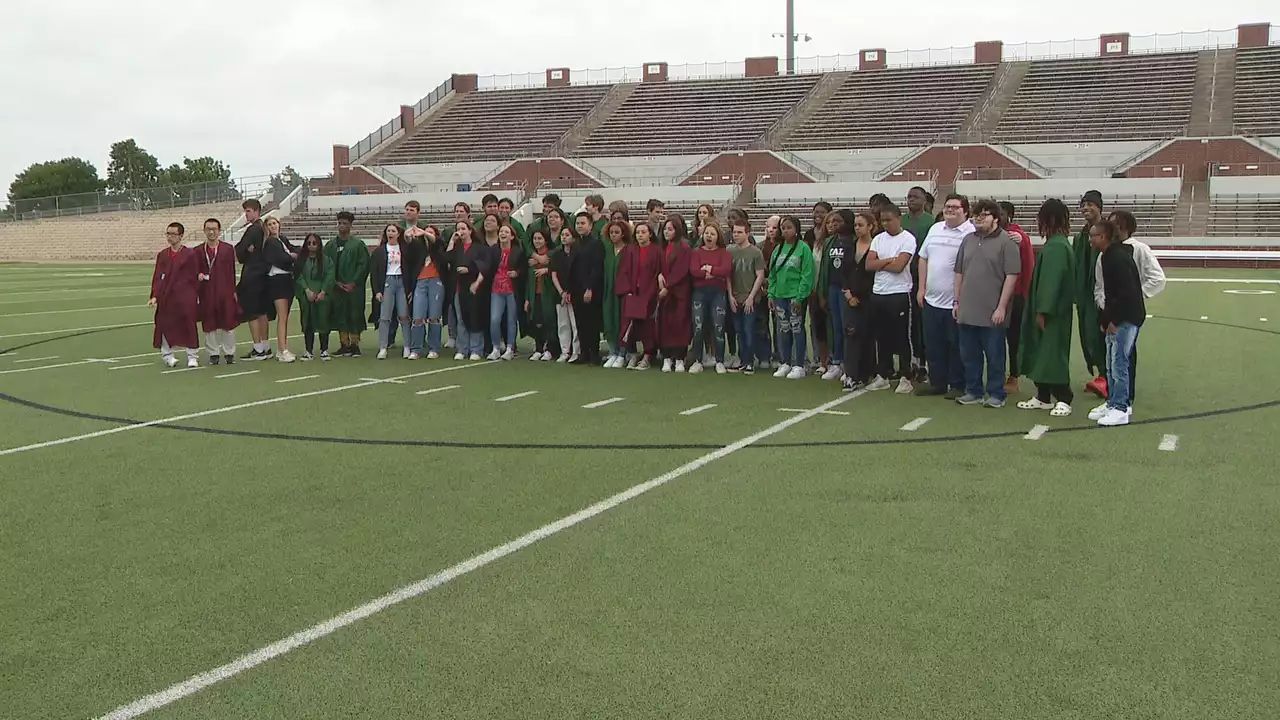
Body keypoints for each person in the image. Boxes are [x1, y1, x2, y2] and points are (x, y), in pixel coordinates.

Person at [1094, 210, 1165, 410]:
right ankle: (1113, 399)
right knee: (1111, 359)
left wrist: (1135, 297)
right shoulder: (1104, 254)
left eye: (1115, 224)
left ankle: (1124, 401)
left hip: (1127, 313)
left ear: (1125, 226)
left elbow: (1157, 278)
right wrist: (1105, 308)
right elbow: (1100, 286)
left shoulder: (1139, 249)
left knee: (1123, 357)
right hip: (1111, 312)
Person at [953, 199, 1021, 407]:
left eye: (984, 215)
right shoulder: (967, 240)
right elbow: (959, 272)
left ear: (996, 218)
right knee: (969, 355)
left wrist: (1001, 307)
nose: (979, 219)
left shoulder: (1006, 242)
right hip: (967, 309)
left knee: (994, 355)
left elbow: (1012, 276)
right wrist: (956, 301)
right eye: (976, 215)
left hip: (993, 310)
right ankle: (973, 391)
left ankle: (996, 394)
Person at [1017, 199, 1076, 416]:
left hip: (1052, 312)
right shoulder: (1056, 243)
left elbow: (1051, 283)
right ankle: (1043, 396)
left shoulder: (1057, 247)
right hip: (1049, 310)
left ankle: (1064, 396)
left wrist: (1043, 310)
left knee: (1052, 353)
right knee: (1042, 352)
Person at [915, 194, 973, 398]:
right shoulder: (935, 228)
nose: (950, 210)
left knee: (957, 345)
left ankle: (958, 384)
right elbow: (923, 258)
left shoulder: (971, 233)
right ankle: (937, 382)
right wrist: (921, 289)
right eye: (948, 206)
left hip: (957, 302)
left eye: (956, 207)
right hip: (931, 299)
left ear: (965, 211)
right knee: (933, 344)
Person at [1090, 219, 1145, 427]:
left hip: (1126, 318)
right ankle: (1113, 402)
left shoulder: (1117, 258)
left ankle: (1121, 408)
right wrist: (1106, 319)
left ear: (1103, 237)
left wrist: (1114, 320)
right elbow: (1111, 293)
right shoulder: (1108, 256)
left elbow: (1125, 293)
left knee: (1119, 362)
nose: (1090, 240)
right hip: (1118, 317)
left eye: (1092, 236)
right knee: (1111, 363)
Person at [865, 203, 917, 393]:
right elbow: (869, 265)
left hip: (899, 293)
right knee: (882, 337)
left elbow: (899, 267)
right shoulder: (878, 239)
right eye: (883, 220)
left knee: (902, 337)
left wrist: (881, 263)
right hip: (879, 293)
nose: (885, 224)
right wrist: (888, 260)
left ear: (898, 218)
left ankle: (905, 376)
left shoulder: (908, 239)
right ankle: (883, 375)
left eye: (889, 220)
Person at [768, 215, 815, 380]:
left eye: (789, 227)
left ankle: (799, 364)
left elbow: (807, 275)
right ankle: (785, 362)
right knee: (783, 329)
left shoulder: (803, 249)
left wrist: (800, 297)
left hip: (795, 296)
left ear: (796, 229)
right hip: (780, 296)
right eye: (783, 228)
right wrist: (771, 295)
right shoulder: (778, 249)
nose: (785, 231)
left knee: (797, 329)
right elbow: (772, 274)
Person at [149, 222, 201, 368]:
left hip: (185, 296)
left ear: (181, 236)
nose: (170, 237)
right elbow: (158, 276)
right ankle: (167, 355)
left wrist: (193, 294)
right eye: (168, 234)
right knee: (164, 324)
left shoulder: (190, 254)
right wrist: (155, 296)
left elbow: (194, 275)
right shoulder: (163, 255)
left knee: (189, 325)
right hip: (167, 296)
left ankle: (192, 356)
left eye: (173, 234)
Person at [1073, 190, 1107, 398]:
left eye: (1090, 204)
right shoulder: (1080, 237)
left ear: (1099, 207)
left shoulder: (1108, 234)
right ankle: (1100, 375)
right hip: (1084, 297)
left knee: (1101, 337)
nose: (1086, 208)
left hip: (1102, 296)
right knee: (1087, 337)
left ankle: (1106, 376)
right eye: (1083, 205)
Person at [839, 211, 878, 392]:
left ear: (870, 226)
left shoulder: (877, 246)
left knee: (868, 336)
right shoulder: (850, 246)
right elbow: (843, 272)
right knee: (851, 335)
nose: (857, 228)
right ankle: (851, 375)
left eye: (861, 225)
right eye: (855, 225)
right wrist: (848, 294)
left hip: (870, 296)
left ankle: (865, 373)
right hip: (851, 298)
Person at [1000, 201, 1036, 395]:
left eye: (1002, 214)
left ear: (1010, 216)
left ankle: (1014, 375)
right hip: (993, 294)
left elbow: (1027, 260)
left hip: (1015, 295)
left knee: (1013, 337)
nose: (999, 217)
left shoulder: (1017, 235)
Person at [615, 221, 661, 370]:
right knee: (629, 325)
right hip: (632, 293)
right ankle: (632, 353)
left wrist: (652, 292)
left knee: (648, 326)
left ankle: (648, 355)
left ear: (650, 234)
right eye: (638, 232)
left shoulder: (656, 251)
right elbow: (624, 271)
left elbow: (658, 273)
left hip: (649, 294)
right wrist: (627, 291)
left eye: (643, 232)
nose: (640, 235)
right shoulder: (630, 250)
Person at [370, 223, 421, 359]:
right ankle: (382, 347)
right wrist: (377, 291)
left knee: (404, 316)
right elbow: (374, 272)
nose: (390, 233)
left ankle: (407, 346)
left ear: (398, 234)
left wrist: (410, 288)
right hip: (387, 282)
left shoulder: (404, 249)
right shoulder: (379, 251)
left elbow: (410, 269)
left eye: (393, 231)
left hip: (401, 283)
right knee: (384, 317)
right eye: (388, 231)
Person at [688, 221, 732, 374]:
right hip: (699, 294)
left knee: (718, 328)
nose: (709, 236)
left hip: (718, 294)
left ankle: (719, 360)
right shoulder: (696, 252)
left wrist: (708, 268)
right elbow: (694, 271)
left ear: (717, 236)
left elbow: (725, 270)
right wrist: (712, 274)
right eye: (707, 233)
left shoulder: (724, 253)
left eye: (712, 234)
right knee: (698, 328)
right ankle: (698, 360)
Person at [325, 211, 370, 357]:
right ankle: (344, 344)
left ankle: (355, 344)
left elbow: (363, 265)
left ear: (351, 225)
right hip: (336, 287)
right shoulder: (331, 245)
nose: (342, 226)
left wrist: (353, 282)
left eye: (345, 223)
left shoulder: (358, 245)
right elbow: (326, 265)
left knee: (354, 314)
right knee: (339, 314)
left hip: (354, 288)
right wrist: (335, 282)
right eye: (340, 223)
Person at [196, 217, 240, 365]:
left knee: (228, 323)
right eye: (208, 229)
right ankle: (213, 353)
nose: (211, 232)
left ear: (219, 231)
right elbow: (193, 271)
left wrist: (233, 291)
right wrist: (198, 277)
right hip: (206, 292)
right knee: (209, 325)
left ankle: (229, 352)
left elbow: (231, 271)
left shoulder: (227, 249)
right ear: (204, 231)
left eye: (214, 229)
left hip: (225, 292)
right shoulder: (198, 251)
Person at [903, 186, 935, 380]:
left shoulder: (931, 222)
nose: (911, 200)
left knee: (924, 321)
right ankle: (912, 360)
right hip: (903, 276)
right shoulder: (902, 220)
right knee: (909, 321)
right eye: (909, 197)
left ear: (925, 200)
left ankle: (925, 361)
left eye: (915, 196)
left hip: (925, 276)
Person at [234, 199, 272, 360]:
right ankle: (265, 346)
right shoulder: (264, 228)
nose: (246, 214)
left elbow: (239, 250)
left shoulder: (253, 229)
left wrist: (247, 251)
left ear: (256, 211)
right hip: (264, 274)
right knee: (262, 312)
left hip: (253, 274)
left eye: (248, 211)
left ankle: (258, 349)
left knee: (252, 312)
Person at [728, 218, 766, 375]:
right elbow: (728, 276)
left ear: (747, 233)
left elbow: (760, 276)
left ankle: (750, 361)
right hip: (735, 298)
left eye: (739, 232)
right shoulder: (729, 251)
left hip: (750, 299)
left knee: (748, 330)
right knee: (739, 331)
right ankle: (743, 360)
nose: (736, 235)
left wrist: (751, 297)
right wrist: (730, 296)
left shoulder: (755, 252)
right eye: (734, 232)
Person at [815, 211, 850, 381]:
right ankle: (836, 362)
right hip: (832, 289)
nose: (834, 224)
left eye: (838, 221)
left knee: (847, 327)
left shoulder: (854, 241)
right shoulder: (829, 242)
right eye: (832, 221)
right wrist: (822, 294)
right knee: (835, 327)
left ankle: (848, 364)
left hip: (847, 290)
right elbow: (823, 270)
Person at [657, 214, 693, 373]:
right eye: (665, 229)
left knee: (680, 325)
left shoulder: (684, 247)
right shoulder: (662, 247)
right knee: (665, 325)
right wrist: (659, 277)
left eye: (670, 229)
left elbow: (681, 270)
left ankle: (679, 358)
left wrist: (668, 286)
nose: (666, 232)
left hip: (679, 293)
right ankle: (666, 357)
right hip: (664, 293)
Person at [450, 220, 488, 361]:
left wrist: (470, 270)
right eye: (459, 228)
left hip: (473, 287)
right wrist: (452, 241)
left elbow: (484, 266)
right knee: (461, 319)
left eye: (463, 228)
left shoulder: (479, 247)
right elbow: (447, 259)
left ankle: (476, 349)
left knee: (474, 318)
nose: (461, 231)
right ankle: (462, 349)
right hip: (459, 288)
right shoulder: (457, 248)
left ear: (470, 230)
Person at [570, 212, 605, 366]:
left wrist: (590, 288)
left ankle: (594, 354)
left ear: (590, 226)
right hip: (577, 289)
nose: (579, 226)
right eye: (577, 223)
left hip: (590, 290)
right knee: (580, 323)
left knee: (592, 323)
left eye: (583, 223)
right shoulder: (576, 244)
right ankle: (583, 353)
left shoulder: (596, 244)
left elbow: (597, 268)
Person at [293, 233, 335, 361]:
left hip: (322, 296)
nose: (311, 246)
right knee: (308, 323)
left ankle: (324, 350)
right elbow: (299, 277)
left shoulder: (326, 260)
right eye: (309, 243)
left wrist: (323, 292)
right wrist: (306, 291)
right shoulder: (301, 261)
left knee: (323, 322)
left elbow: (330, 276)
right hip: (306, 296)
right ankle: (308, 351)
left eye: (314, 243)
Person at [487, 224, 525, 360]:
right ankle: (496, 347)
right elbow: (489, 268)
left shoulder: (517, 251)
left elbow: (523, 268)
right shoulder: (494, 251)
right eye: (501, 231)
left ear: (512, 236)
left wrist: (517, 273)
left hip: (511, 289)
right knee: (495, 319)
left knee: (511, 320)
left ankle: (510, 348)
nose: (503, 234)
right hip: (496, 289)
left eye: (506, 232)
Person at [263, 216, 298, 363]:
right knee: (282, 317)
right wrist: (292, 257)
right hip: (278, 280)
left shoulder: (281, 239)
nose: (273, 226)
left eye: (274, 223)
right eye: (269, 224)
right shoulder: (271, 242)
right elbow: (282, 258)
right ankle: (283, 350)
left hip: (286, 279)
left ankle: (281, 349)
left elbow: (292, 250)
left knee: (285, 316)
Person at [409, 226, 447, 359]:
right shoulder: (419, 249)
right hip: (421, 282)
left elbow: (438, 242)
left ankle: (434, 348)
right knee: (418, 317)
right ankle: (416, 349)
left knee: (434, 317)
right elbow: (408, 244)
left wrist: (425, 232)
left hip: (436, 281)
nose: (427, 235)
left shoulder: (438, 248)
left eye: (431, 232)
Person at [524, 228, 558, 361]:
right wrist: (527, 299)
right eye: (535, 239)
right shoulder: (532, 259)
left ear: (546, 240)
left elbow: (557, 269)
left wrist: (546, 269)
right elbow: (528, 280)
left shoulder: (552, 255)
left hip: (548, 294)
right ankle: (539, 348)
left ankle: (550, 349)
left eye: (540, 238)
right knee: (537, 321)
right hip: (535, 294)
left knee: (549, 320)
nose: (537, 241)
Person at [601, 220, 631, 368]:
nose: (613, 235)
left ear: (623, 233)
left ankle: (622, 354)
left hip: (623, 293)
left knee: (622, 323)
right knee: (609, 321)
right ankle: (612, 352)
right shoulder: (607, 250)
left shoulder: (629, 250)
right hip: (608, 292)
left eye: (617, 232)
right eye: (611, 232)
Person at [551, 226, 582, 363]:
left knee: (575, 324)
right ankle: (565, 351)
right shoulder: (557, 254)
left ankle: (576, 351)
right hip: (560, 294)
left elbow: (577, 275)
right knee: (563, 324)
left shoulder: (578, 254)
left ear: (573, 237)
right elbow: (554, 275)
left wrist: (570, 292)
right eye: (562, 235)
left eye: (567, 235)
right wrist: (562, 292)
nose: (564, 237)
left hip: (574, 294)